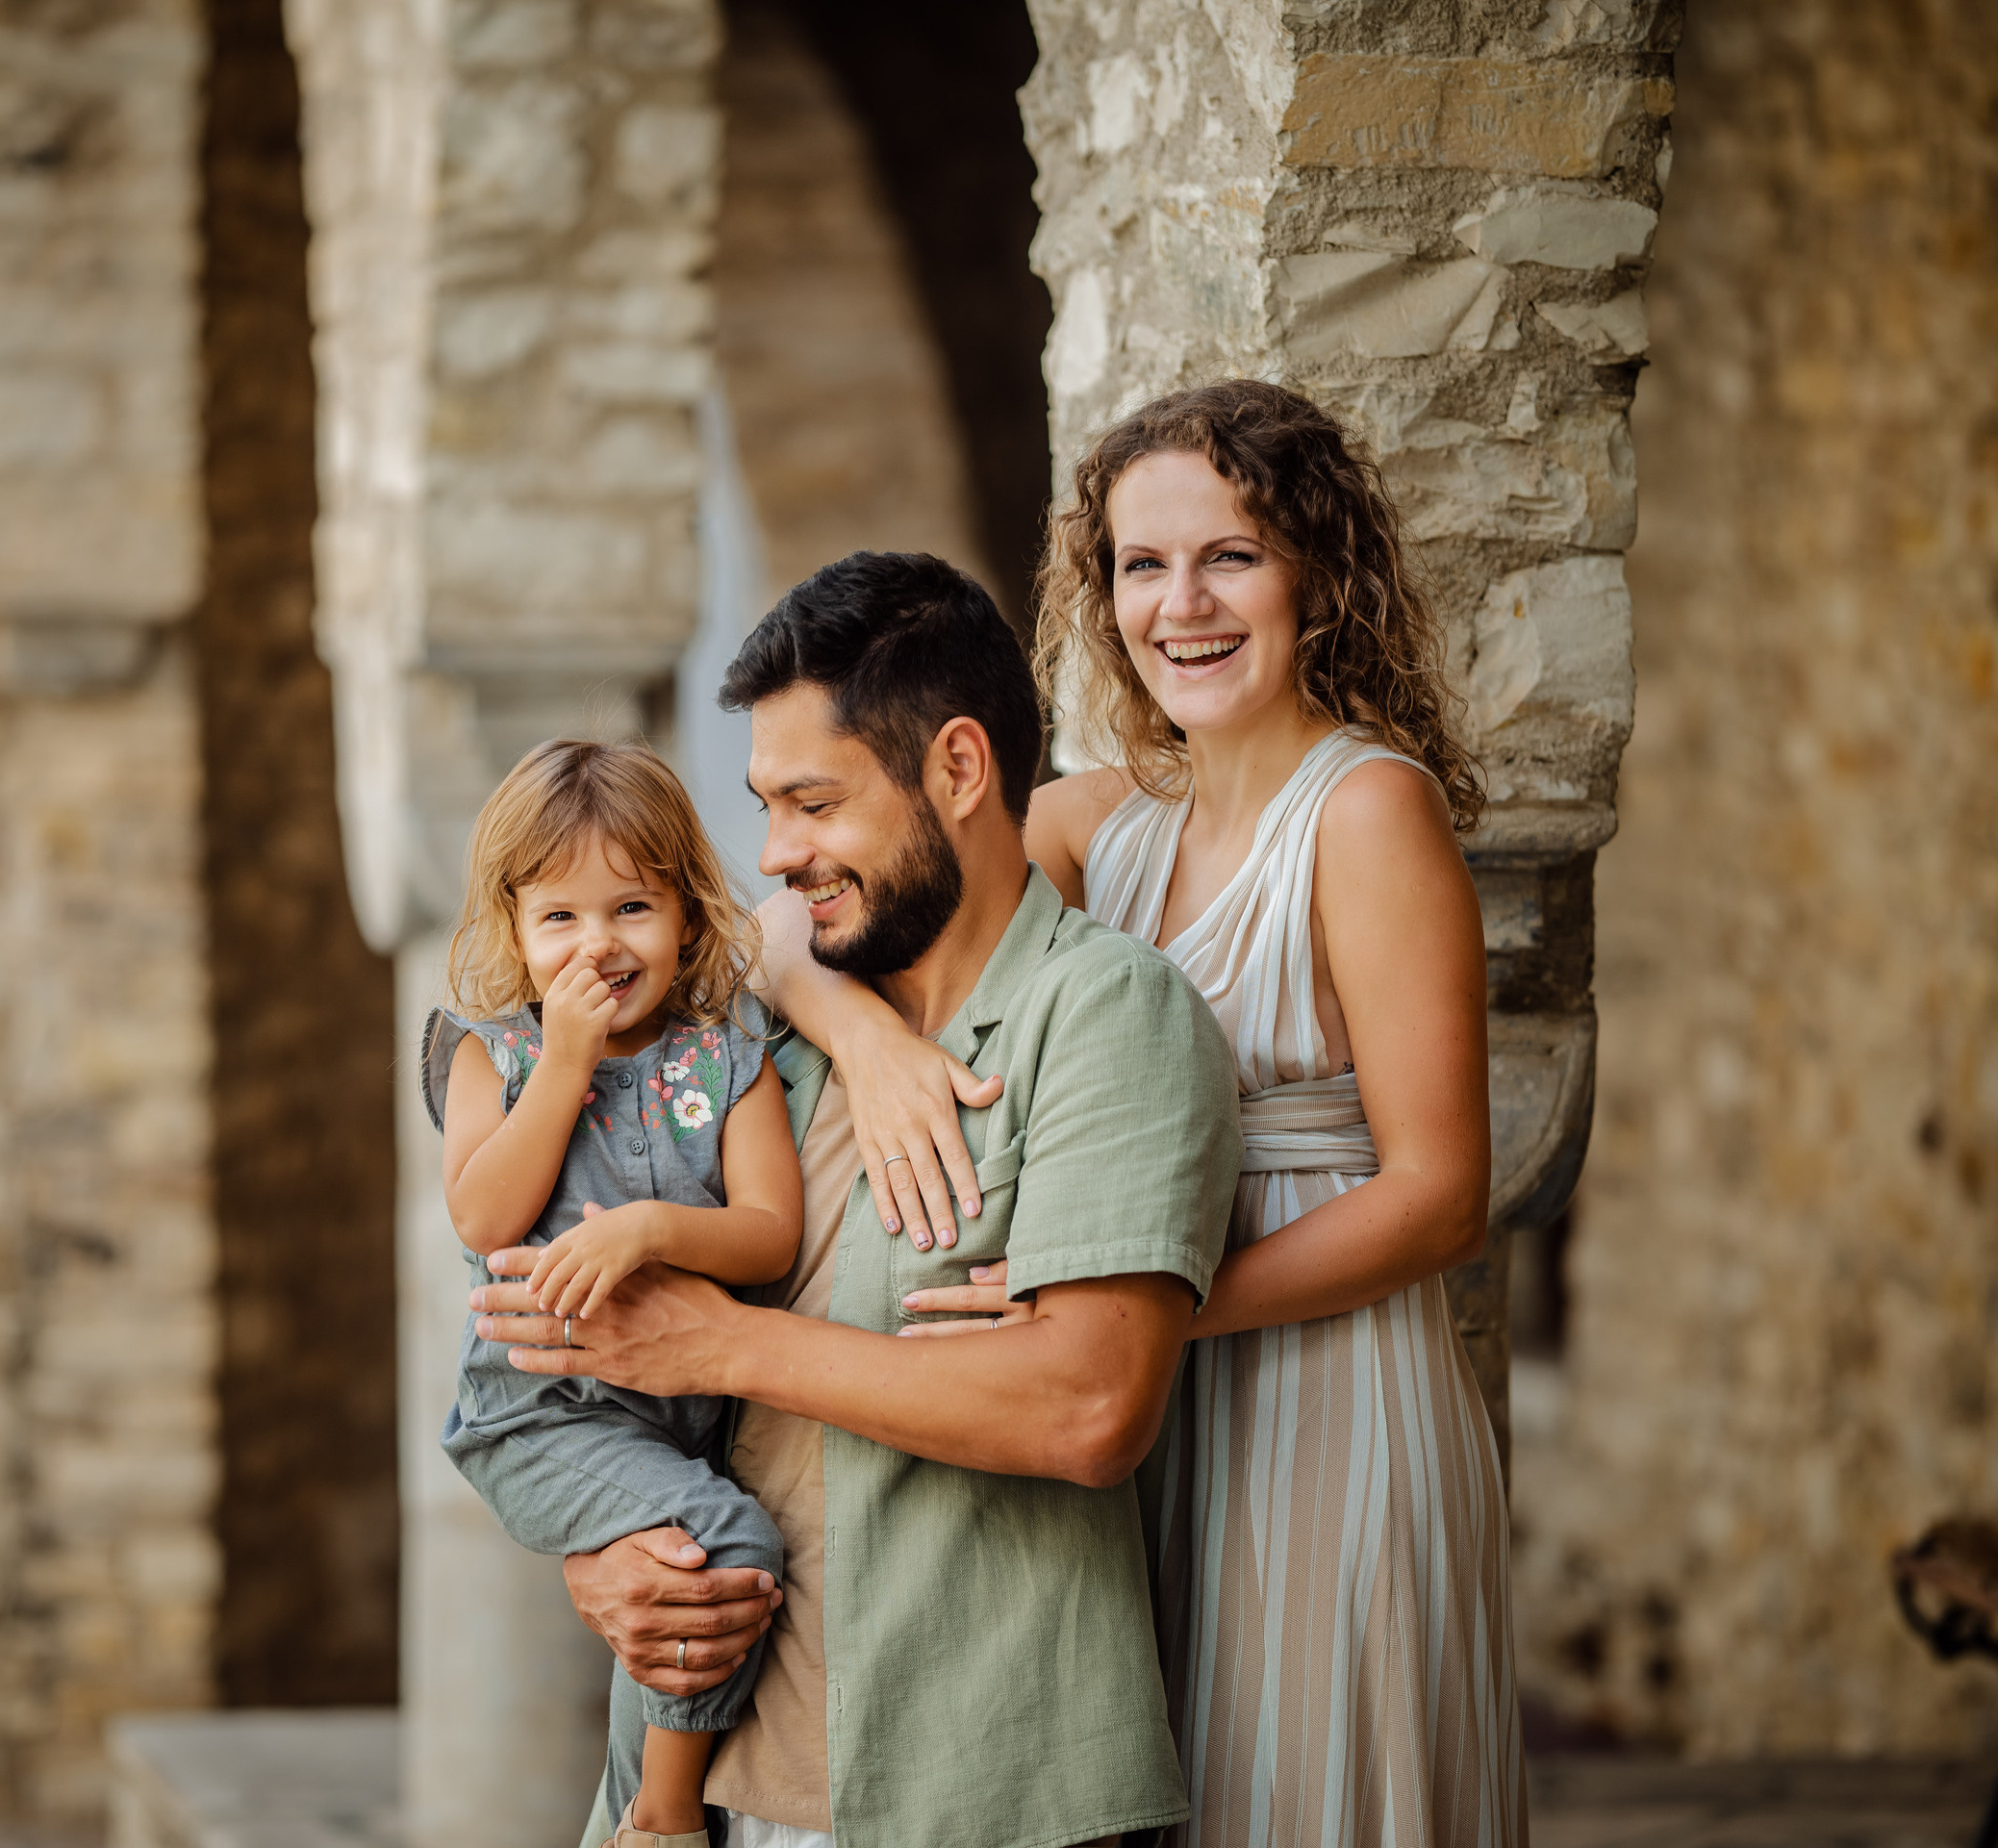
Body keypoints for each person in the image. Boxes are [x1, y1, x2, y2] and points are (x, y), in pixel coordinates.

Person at [812, 381, 1530, 1844]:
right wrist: (864, 1044)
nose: (1179, 604)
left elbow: (1443, 1190)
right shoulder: (1096, 824)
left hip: (1327, 1403)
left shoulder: (1369, 812)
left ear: (1317, 575)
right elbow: (810, 897)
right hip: (1147, 1406)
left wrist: (1143, 1312)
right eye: (1143, 564)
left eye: (1231, 557)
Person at [468, 552, 1242, 1848]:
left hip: (978, 1787)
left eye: (815, 803)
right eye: (768, 805)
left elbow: (1093, 1403)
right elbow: (582, 1356)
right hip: (706, 1791)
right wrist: (604, 1552)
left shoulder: (1108, 1013)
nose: (778, 853)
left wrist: (719, 1339)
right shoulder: (763, 1033)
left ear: (957, 768)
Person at [423, 740, 804, 1848]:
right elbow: (483, 1217)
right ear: (512, 930)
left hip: (680, 1415)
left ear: (685, 908)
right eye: (560, 919)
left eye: (631, 905)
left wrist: (650, 1230)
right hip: (540, 1417)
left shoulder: (728, 1057)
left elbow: (768, 1233)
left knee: (678, 1580)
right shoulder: (490, 1056)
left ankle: (645, 1805)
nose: (599, 944)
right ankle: (664, 1819)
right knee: (720, 1544)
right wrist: (564, 1062)